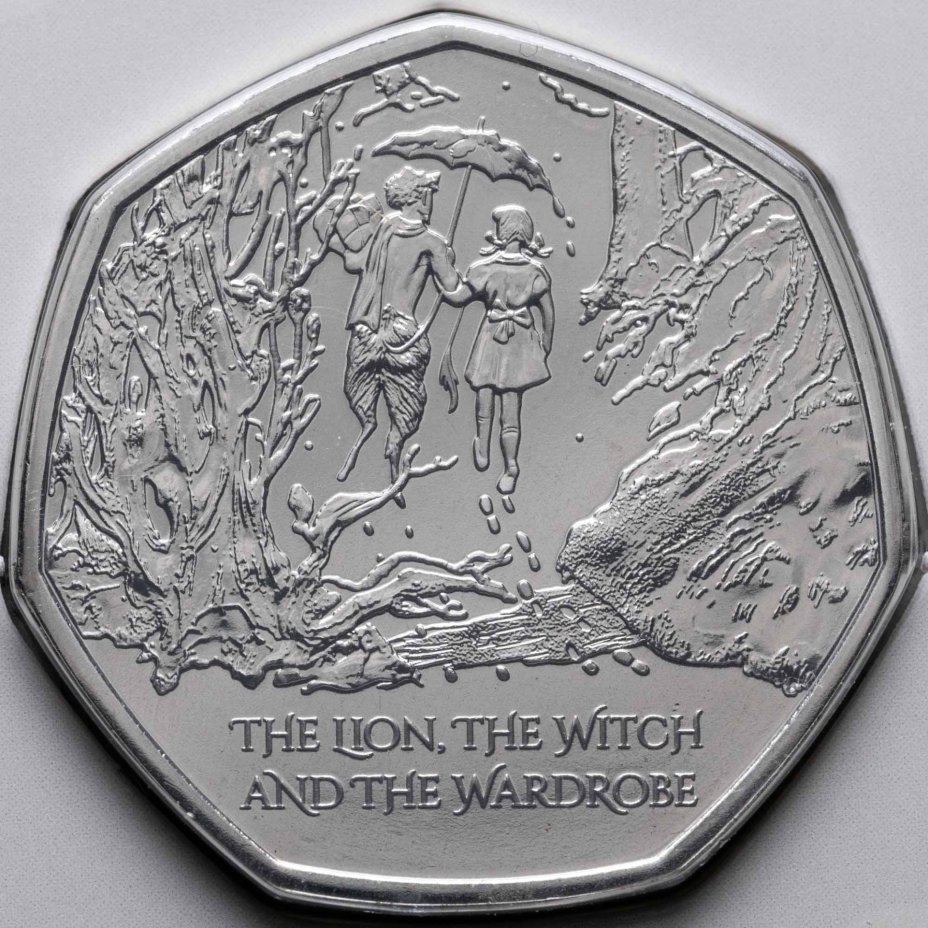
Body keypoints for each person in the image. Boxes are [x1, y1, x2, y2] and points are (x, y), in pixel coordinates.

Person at [335, 166, 471, 490]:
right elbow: (455, 292)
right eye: (429, 194)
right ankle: (394, 449)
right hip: (402, 335)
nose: (431, 200)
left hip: (366, 331)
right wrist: (468, 275)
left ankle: (366, 428)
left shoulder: (380, 229)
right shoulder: (432, 243)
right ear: (420, 197)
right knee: (407, 404)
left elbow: (352, 262)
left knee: (359, 391)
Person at [463, 205, 555, 494]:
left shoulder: (485, 269)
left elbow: (458, 296)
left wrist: (445, 273)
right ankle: (510, 465)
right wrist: (545, 344)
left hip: (492, 337)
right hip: (520, 340)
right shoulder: (535, 272)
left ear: (503, 231)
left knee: (484, 394)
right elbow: (548, 314)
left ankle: (482, 445)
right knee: (510, 407)